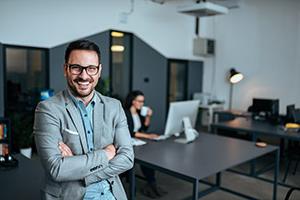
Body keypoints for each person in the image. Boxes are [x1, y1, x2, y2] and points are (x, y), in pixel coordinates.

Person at [34, 40, 134, 200]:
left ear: (99, 70)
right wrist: (106, 154)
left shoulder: (114, 106)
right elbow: (57, 169)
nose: (84, 76)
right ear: (65, 69)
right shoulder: (48, 109)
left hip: (112, 194)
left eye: (91, 69)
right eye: (76, 68)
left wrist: (80, 172)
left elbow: (127, 158)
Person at [123, 90, 167, 198]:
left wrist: (148, 116)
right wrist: (149, 136)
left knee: (149, 156)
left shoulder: (139, 112)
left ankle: (152, 183)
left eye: (143, 101)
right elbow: (130, 132)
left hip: (137, 141)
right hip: (127, 141)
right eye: (140, 101)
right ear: (133, 101)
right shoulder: (126, 113)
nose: (142, 104)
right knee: (144, 158)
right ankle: (150, 184)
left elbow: (144, 128)